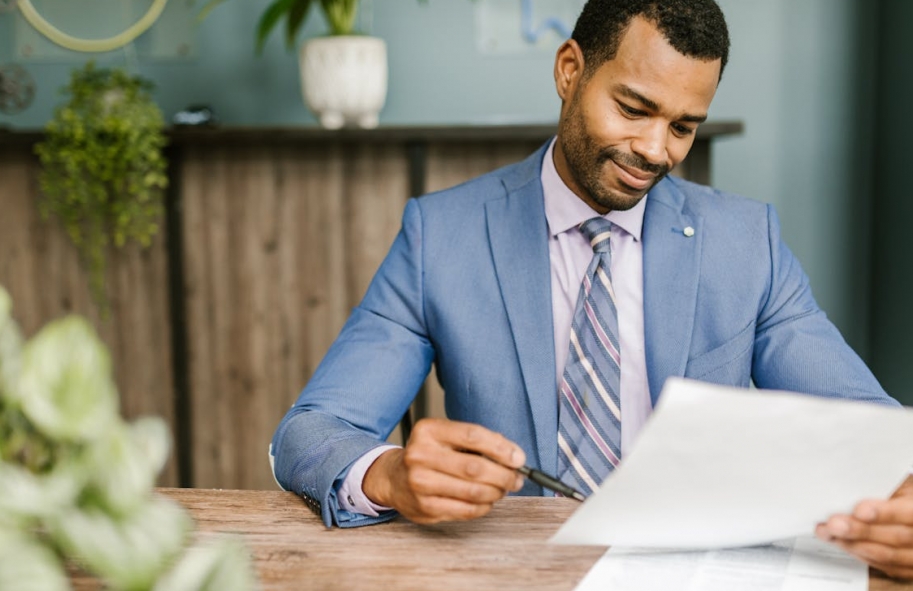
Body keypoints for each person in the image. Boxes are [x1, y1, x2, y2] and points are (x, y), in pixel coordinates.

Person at [270, 0, 913, 580]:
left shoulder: (749, 244)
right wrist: (388, 475)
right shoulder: (442, 236)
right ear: (569, 70)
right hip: (515, 569)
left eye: (683, 127)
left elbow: (870, 424)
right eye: (633, 110)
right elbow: (309, 431)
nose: (655, 150)